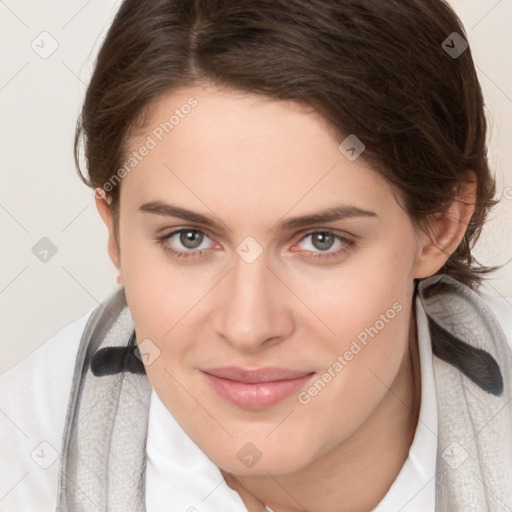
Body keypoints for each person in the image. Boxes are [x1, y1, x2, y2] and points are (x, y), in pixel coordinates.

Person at [1, 0, 511, 511]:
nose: (248, 327)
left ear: (439, 227)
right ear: (114, 232)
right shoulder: (20, 466)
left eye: (321, 240)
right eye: (189, 238)